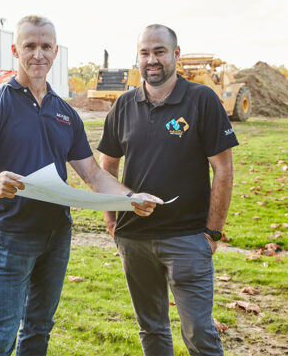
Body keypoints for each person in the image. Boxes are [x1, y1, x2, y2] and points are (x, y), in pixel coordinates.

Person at [0, 15, 161, 356]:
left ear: (55, 51)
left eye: (45, 46)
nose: (38, 54)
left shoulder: (66, 113)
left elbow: (93, 175)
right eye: (30, 46)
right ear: (15, 49)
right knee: (0, 336)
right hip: (12, 236)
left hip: (57, 236)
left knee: (39, 330)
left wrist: (131, 197)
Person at [98, 24, 238, 356]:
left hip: (187, 238)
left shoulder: (201, 100)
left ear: (176, 54)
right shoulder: (123, 106)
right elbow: (107, 165)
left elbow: (223, 168)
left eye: (160, 51)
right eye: (145, 53)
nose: (152, 60)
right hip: (134, 238)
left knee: (199, 333)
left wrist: (213, 231)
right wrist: (111, 220)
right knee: (151, 329)